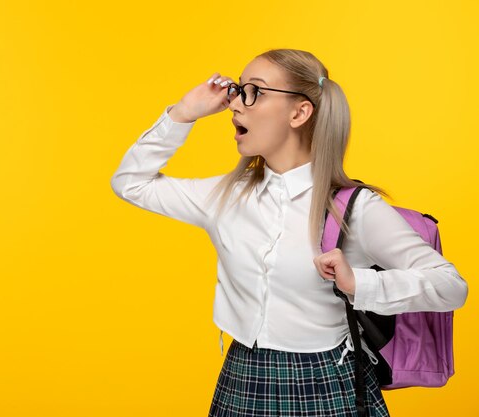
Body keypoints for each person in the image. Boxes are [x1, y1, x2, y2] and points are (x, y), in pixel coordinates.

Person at [110, 48, 468, 417]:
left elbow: (451, 286)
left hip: (328, 384)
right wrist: (182, 114)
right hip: (242, 379)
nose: (235, 104)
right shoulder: (225, 197)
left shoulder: (354, 209)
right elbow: (130, 183)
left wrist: (359, 284)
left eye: (255, 91)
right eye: (237, 89)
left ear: (299, 112)